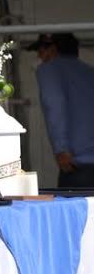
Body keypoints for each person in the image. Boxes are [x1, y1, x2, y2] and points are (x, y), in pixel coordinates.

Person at [29, 32, 94, 188]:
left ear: (53, 49)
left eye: (41, 50)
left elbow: (54, 104)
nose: (39, 55)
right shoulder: (90, 72)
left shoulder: (49, 69)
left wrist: (61, 149)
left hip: (78, 165)